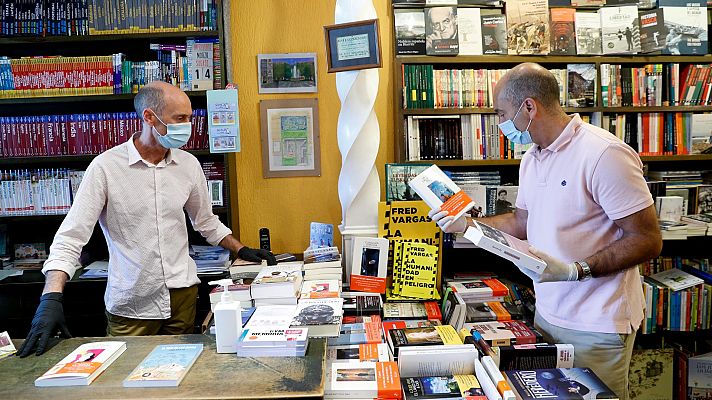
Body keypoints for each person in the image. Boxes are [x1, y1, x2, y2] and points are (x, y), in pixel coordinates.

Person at [428, 63, 662, 400]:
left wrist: (574, 271)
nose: (500, 123)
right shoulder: (532, 157)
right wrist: (468, 226)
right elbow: (523, 222)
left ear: (529, 107)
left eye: (501, 113)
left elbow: (647, 240)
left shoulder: (604, 154)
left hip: (596, 322)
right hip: (547, 313)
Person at [18, 81, 277, 357]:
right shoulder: (105, 167)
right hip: (132, 303)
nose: (187, 126)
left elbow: (206, 222)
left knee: (182, 377)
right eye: (180, 119)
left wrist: (241, 249)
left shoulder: (188, 165)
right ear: (149, 117)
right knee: (127, 382)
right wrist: (51, 297)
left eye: (190, 118)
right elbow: (71, 237)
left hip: (183, 296)